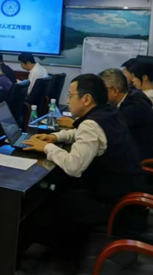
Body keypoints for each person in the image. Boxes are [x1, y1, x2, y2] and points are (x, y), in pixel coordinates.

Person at [22, 74, 146, 242]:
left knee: (44, 204)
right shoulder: (108, 112)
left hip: (115, 206)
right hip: (127, 197)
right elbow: (81, 133)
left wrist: (46, 147)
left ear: (86, 99)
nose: (68, 100)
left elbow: (74, 166)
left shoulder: (91, 124)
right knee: (57, 188)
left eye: (70, 96)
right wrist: (56, 137)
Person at [99, 68, 153, 160]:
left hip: (146, 161)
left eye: (102, 91)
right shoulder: (130, 96)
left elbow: (109, 132)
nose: (99, 95)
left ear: (115, 91)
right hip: (138, 153)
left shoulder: (133, 108)